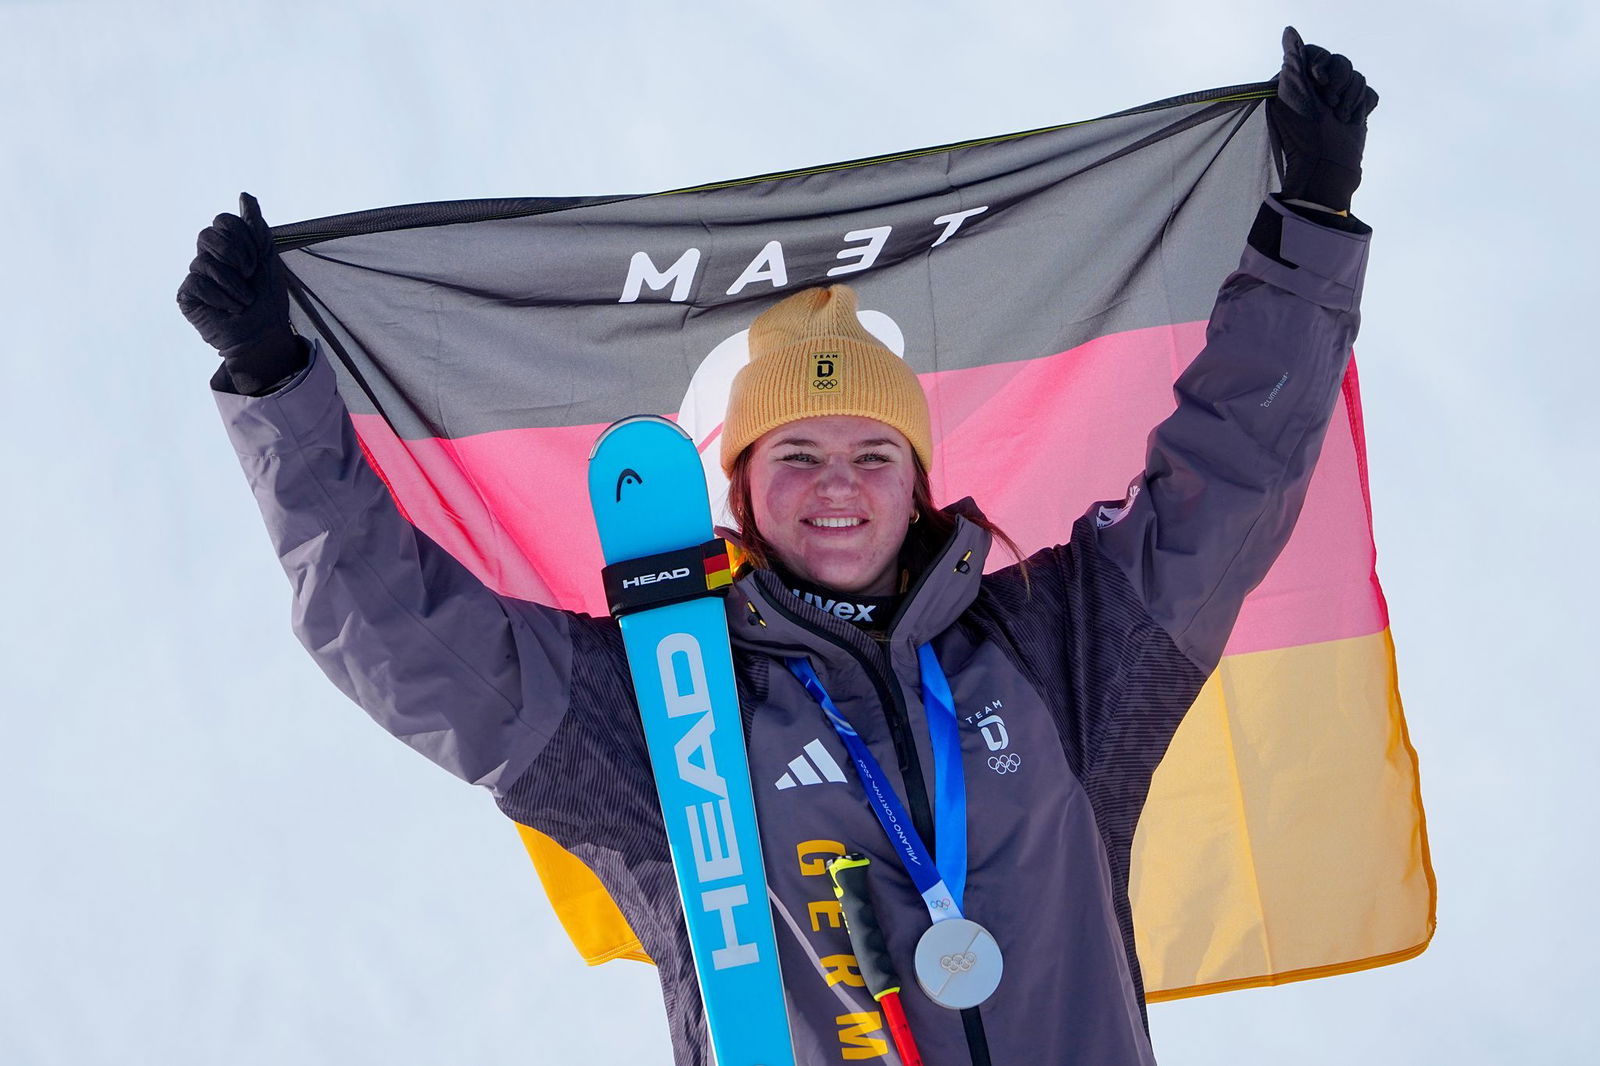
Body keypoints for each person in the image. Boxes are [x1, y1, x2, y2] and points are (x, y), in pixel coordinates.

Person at [177, 28, 1377, 1066]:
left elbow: (1226, 481)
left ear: (920, 485)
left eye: (872, 456)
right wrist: (276, 384)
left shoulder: (1062, 648)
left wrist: (1306, 227)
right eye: (794, 458)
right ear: (742, 488)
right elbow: (406, 635)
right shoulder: (663, 697)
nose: (837, 490)